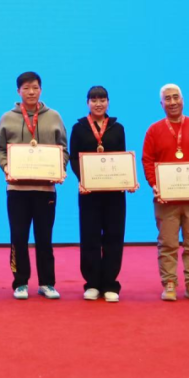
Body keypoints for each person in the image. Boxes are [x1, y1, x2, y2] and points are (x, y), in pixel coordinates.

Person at [0, 71, 68, 300]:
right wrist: (6, 167)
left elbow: (63, 149)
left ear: (41, 89)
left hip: (46, 189)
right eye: (26, 88)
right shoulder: (7, 118)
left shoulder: (54, 116)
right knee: (18, 237)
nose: (31, 92)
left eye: (35, 87)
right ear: (18, 91)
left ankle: (47, 283)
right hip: (17, 190)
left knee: (45, 238)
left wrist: (60, 168)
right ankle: (20, 283)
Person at [141, 84, 189, 302]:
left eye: (176, 97)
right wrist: (154, 184)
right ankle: (169, 283)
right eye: (168, 99)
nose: (172, 102)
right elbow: (147, 160)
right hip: (166, 199)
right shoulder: (154, 130)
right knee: (168, 243)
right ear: (161, 104)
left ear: (183, 100)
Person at [68, 86, 134, 303]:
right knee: (90, 237)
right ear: (87, 103)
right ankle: (92, 284)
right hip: (89, 192)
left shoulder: (118, 128)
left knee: (114, 236)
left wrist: (127, 180)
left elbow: (123, 157)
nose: (98, 104)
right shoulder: (79, 128)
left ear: (108, 102)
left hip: (114, 193)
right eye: (94, 100)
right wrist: (83, 179)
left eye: (102, 99)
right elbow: (74, 158)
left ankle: (110, 284)